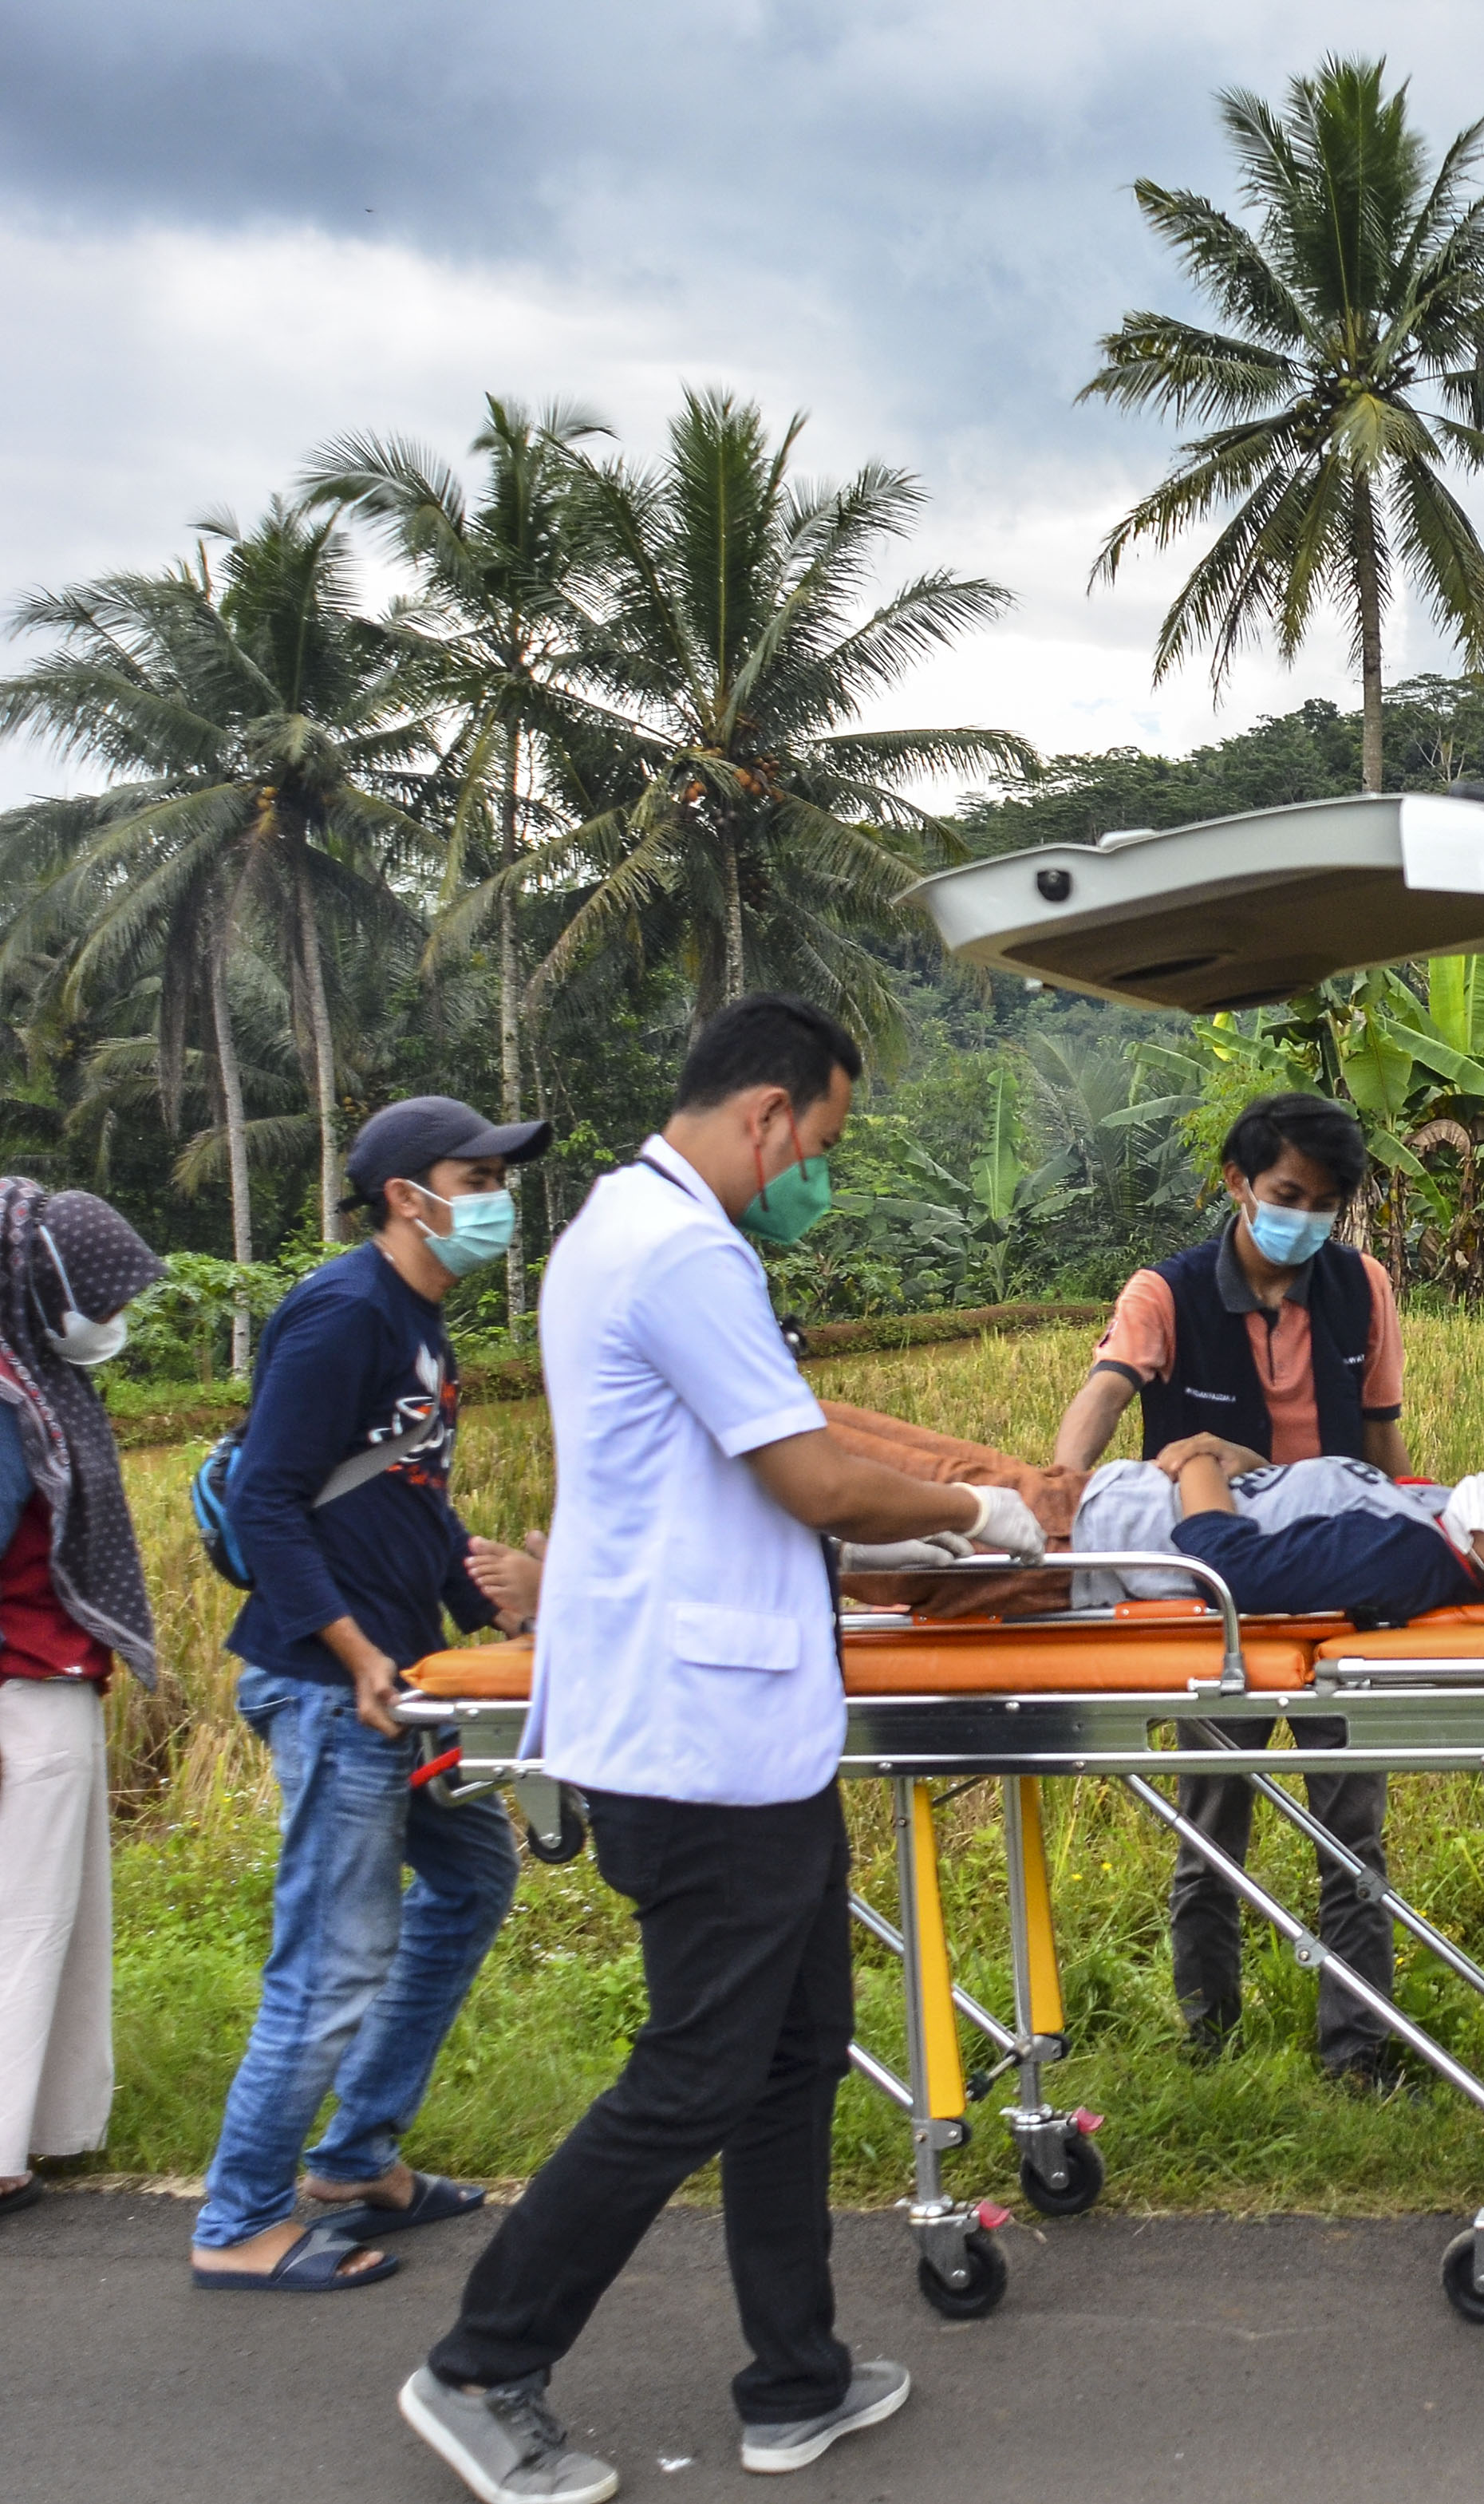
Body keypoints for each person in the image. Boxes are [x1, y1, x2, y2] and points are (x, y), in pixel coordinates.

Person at [401, 995, 1052, 2504]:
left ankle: (795, 2380)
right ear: (767, 1113)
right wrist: (979, 1512)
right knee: (698, 2070)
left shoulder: (616, 1230)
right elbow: (814, 1473)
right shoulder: (686, 1251)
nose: (810, 1172)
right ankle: (483, 2362)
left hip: (739, 1725)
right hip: (695, 1741)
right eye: (817, 1141)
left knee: (791, 2054)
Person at [190, 1097, 553, 2293]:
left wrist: (486, 1593)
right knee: (335, 1953)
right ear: (409, 1194)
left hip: (402, 1675)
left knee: (473, 1876)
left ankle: (353, 2161)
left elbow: (405, 1495)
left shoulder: (422, 1325)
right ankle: (240, 2220)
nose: (499, 1190)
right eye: (477, 1171)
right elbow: (268, 1501)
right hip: (330, 1685)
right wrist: (353, 1655)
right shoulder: (348, 1311)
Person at [1052, 1094, 1412, 2076]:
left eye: (1327, 1203)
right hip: (1212, 1600)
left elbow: (1379, 1434)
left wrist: (1416, 1525)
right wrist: (1057, 1502)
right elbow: (1106, 1392)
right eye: (1289, 1195)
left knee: (1353, 1831)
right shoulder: (1165, 1297)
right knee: (1212, 1826)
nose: (1306, 1219)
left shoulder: (1360, 1286)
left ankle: (1360, 2055)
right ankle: (1208, 2041)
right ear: (1238, 1186)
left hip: (1336, 1596)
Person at [0, 1186, 162, 2224]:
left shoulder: (38, 1384)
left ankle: (43, 2129)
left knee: (57, 1919)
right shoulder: (11, 1403)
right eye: (98, 1298)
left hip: (48, 1680)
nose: (112, 1320)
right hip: (24, 1687)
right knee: (25, 1922)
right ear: (39, 1286)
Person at [1081, 1443, 1484, 1620]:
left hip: (1078, 1538)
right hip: (1092, 1500)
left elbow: (1237, 1574)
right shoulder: (1435, 1517)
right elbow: (1298, 1516)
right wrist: (1248, 1462)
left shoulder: (1404, 1556)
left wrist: (1199, 1464)